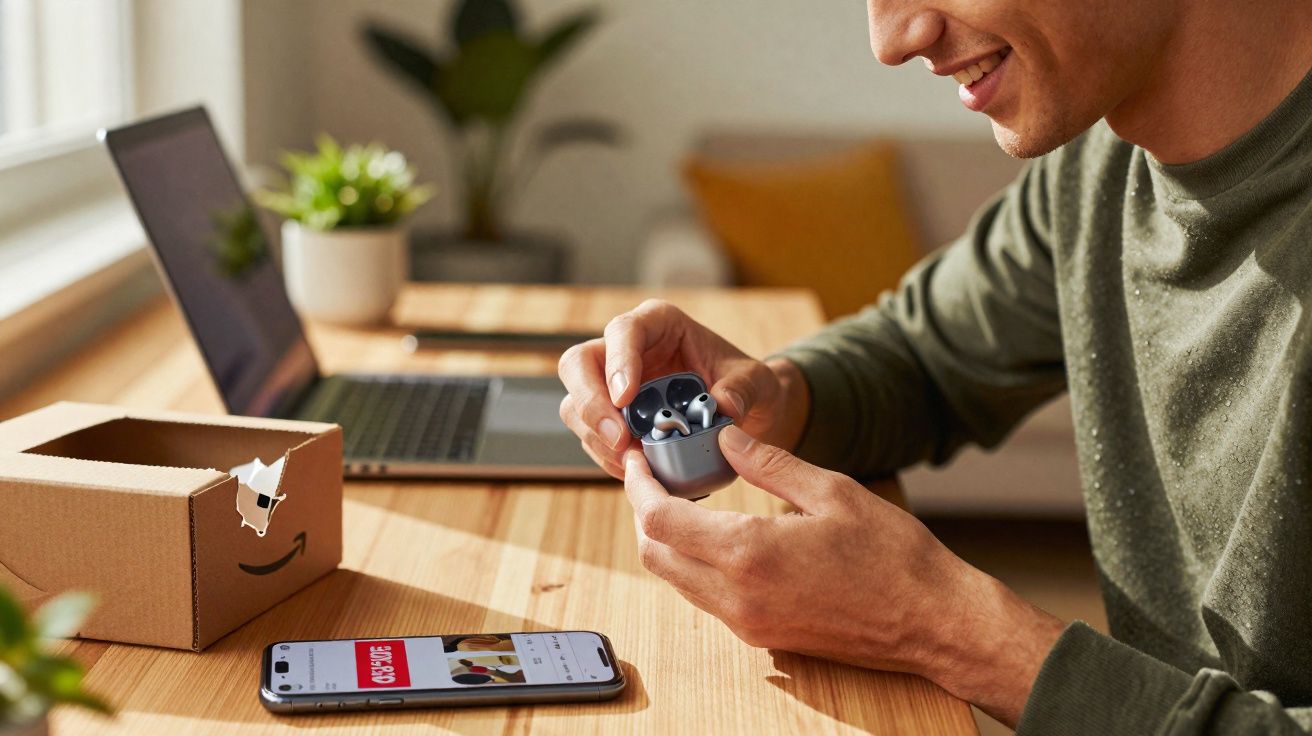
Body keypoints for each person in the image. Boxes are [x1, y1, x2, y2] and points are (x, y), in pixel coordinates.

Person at [557, 0, 1312, 732]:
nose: (891, 39)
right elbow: (924, 353)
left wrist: (943, 627)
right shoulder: (1101, 158)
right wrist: (774, 394)